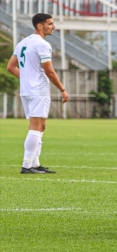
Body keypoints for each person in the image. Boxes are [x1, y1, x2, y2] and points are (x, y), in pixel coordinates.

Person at [6, 13, 69, 174]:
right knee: (36, 126)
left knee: (41, 125)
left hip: (27, 90)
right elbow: (49, 71)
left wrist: (27, 78)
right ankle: (27, 165)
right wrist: (62, 89)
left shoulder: (23, 42)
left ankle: (35, 163)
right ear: (40, 26)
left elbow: (11, 67)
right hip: (38, 90)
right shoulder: (42, 44)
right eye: (50, 24)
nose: (53, 27)